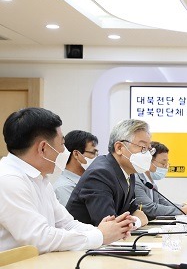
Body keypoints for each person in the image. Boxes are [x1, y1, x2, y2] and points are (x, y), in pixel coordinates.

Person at [0, 108, 133, 253]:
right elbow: (39, 238)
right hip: (15, 267)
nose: (65, 151)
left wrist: (106, 231)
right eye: (62, 144)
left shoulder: (41, 179)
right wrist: (100, 236)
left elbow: (66, 224)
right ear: (43, 148)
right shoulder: (8, 180)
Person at [66, 119, 151, 227]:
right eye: (143, 147)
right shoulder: (100, 174)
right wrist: (137, 221)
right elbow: (110, 226)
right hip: (81, 237)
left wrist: (134, 219)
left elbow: (134, 211)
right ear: (119, 148)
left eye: (149, 149)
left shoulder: (128, 172)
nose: (147, 154)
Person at [134, 141, 187, 219]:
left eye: (167, 163)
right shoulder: (137, 181)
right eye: (163, 163)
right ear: (148, 161)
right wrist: (183, 210)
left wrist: (186, 207)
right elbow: (151, 209)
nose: (165, 167)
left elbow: (163, 203)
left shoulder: (151, 183)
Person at [52, 130, 99, 206]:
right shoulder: (64, 187)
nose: (96, 158)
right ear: (76, 154)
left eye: (97, 154)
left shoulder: (88, 182)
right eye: (93, 153)